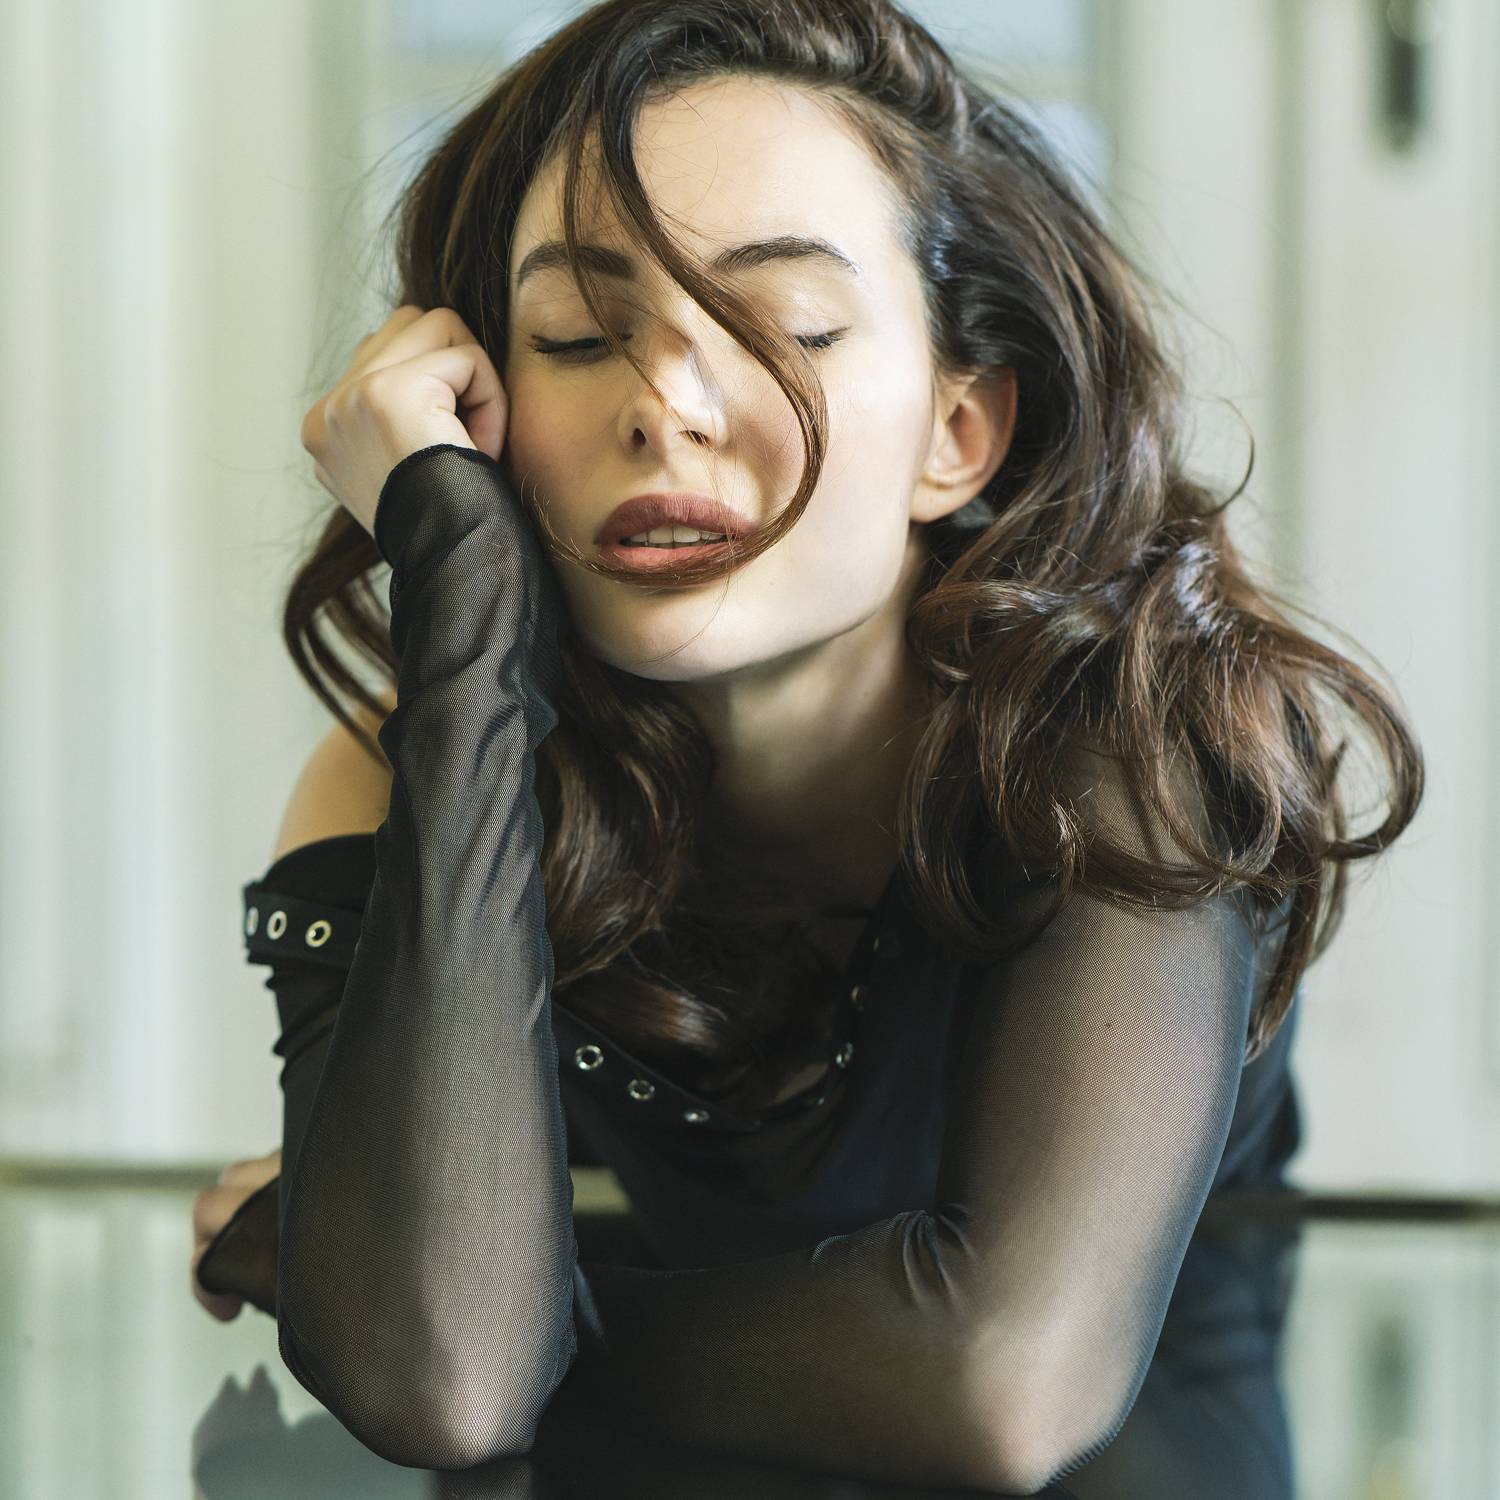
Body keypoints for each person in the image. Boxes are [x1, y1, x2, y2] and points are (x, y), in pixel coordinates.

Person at [190, 0, 1425, 1491]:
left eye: (784, 329)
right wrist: (456, 595)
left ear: (955, 433)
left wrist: (370, 1272)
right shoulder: (408, 765)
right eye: (578, 336)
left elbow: (996, 1386)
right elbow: (448, 1384)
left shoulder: (1131, 742)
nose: (666, 406)